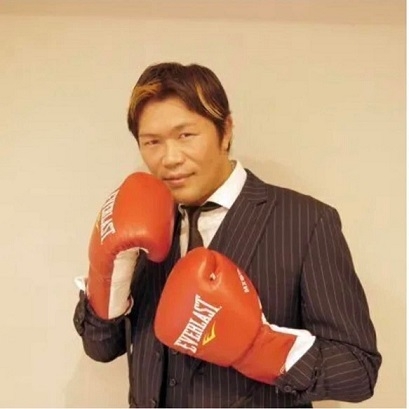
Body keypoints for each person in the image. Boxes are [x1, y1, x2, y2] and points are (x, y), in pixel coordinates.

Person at [73, 62, 382, 408]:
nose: (169, 159)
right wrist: (108, 279)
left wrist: (260, 346)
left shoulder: (305, 222)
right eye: (152, 142)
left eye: (186, 135)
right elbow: (101, 348)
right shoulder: (141, 220)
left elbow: (359, 371)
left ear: (226, 131)